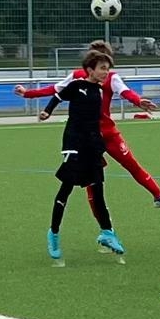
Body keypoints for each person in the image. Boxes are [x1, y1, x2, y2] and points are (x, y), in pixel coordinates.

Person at [19, 41, 160, 210]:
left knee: (131, 165)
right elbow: (56, 90)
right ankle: (103, 222)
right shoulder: (77, 77)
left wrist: (138, 101)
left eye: (105, 64)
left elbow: (125, 91)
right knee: (91, 180)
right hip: (86, 138)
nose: (104, 70)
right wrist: (28, 94)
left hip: (109, 134)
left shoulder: (111, 77)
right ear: (90, 65)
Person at [44, 50, 127, 265]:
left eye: (107, 69)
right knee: (66, 189)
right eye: (102, 68)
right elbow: (57, 96)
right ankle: (53, 234)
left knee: (98, 191)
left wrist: (99, 144)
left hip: (93, 146)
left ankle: (107, 233)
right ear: (90, 70)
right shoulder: (76, 85)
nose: (106, 72)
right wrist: (47, 112)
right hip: (74, 145)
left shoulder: (99, 91)